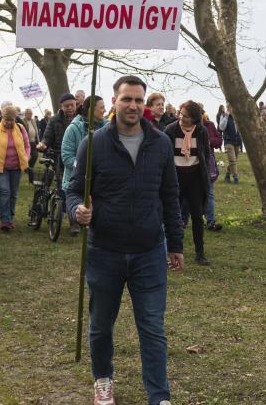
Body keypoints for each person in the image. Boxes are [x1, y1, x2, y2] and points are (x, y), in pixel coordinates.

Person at [67, 75, 183, 405]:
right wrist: (77, 210)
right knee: (101, 326)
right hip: (105, 251)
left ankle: (159, 397)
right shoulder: (94, 143)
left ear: (144, 105)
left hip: (149, 251)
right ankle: (103, 380)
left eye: (138, 100)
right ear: (114, 102)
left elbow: (171, 195)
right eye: (126, 99)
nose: (133, 105)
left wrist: (175, 244)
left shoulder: (160, 143)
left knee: (152, 328)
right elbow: (74, 189)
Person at [163, 100, 214, 265]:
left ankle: (200, 253)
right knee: (173, 215)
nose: (181, 117)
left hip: (195, 177)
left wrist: (204, 177)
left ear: (194, 118)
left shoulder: (201, 131)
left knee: (197, 216)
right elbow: (165, 156)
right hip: (175, 176)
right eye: (180, 113)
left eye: (185, 116)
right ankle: (173, 250)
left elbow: (205, 155)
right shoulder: (171, 130)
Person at [60, 96, 105, 236]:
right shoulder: (73, 129)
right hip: (77, 175)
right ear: (91, 110)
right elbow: (67, 155)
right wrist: (83, 167)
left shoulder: (107, 127)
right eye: (102, 108)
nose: (105, 111)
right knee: (78, 197)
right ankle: (75, 221)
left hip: (99, 177)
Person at [0, 106, 31, 232]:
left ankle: (10, 217)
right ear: (2, 118)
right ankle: (5, 220)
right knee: (5, 192)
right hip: (0, 167)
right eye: (6, 119)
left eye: (11, 120)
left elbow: (27, 146)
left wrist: (26, 158)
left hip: (16, 167)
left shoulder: (21, 129)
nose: (9, 122)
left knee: (13, 194)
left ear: (15, 119)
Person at [38, 93, 78, 228]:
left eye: (72, 105)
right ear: (61, 107)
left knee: (76, 188)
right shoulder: (54, 120)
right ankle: (62, 212)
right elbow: (47, 137)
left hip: (77, 158)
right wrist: (43, 144)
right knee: (64, 188)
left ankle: (74, 220)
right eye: (66, 106)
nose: (70, 108)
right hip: (58, 158)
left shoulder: (80, 119)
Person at [201, 111, 223, 232]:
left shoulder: (209, 125)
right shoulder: (186, 125)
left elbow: (219, 139)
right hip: (192, 164)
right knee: (189, 196)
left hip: (208, 164)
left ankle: (210, 220)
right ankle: (182, 220)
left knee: (209, 193)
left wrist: (209, 141)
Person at [219, 105, 241, 184]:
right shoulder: (224, 116)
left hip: (237, 141)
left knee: (234, 161)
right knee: (232, 160)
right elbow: (221, 127)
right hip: (228, 141)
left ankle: (227, 175)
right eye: (230, 108)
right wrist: (226, 117)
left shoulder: (238, 117)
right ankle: (235, 177)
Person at [22, 107, 40, 184]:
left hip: (33, 142)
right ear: (25, 114)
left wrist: (38, 141)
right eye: (29, 113)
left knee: (35, 155)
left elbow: (36, 131)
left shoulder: (33, 121)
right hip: (26, 143)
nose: (30, 115)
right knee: (28, 158)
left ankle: (28, 168)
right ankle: (30, 174)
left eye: (31, 113)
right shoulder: (23, 121)